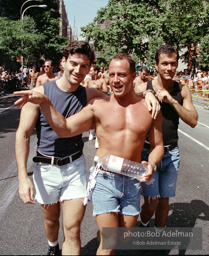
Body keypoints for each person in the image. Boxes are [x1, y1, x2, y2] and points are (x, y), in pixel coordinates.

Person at [15, 53, 164, 255]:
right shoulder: (98, 106)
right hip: (105, 178)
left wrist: (151, 164)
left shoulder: (149, 108)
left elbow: (157, 146)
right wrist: (45, 103)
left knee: (122, 237)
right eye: (111, 74)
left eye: (121, 74)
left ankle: (104, 236)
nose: (115, 80)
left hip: (133, 178)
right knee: (109, 242)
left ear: (133, 75)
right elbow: (65, 129)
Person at [134, 45, 198, 231]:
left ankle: (157, 238)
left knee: (164, 201)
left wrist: (171, 100)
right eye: (165, 64)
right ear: (156, 65)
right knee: (151, 203)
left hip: (171, 153)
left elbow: (193, 121)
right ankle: (144, 224)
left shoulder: (182, 89)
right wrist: (147, 93)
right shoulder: (143, 87)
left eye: (173, 63)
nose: (169, 68)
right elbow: (125, 94)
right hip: (148, 152)